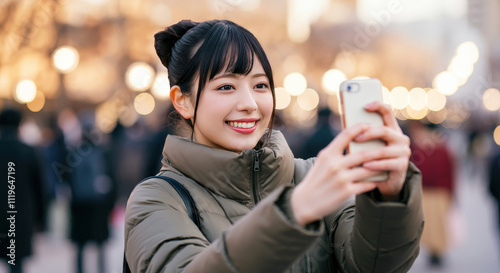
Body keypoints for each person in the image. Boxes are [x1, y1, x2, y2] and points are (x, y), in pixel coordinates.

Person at [124, 19, 424, 273]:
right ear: (183, 101)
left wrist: (389, 197)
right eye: (226, 86)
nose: (250, 104)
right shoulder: (157, 199)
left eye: (260, 85)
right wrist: (292, 213)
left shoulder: (312, 177)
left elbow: (374, 265)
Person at [0, 108, 46, 273]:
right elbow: (39, 188)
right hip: (19, 218)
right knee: (16, 262)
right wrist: (41, 220)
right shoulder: (28, 151)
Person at [407, 120, 455, 267]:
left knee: (437, 223)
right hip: (430, 191)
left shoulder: (437, 149)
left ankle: (437, 252)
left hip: (436, 191)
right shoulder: (436, 148)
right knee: (430, 224)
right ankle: (434, 252)